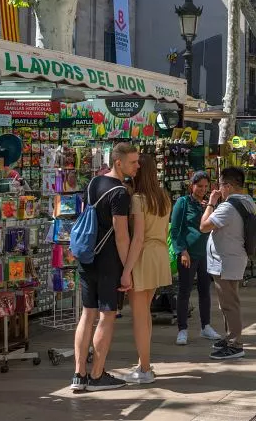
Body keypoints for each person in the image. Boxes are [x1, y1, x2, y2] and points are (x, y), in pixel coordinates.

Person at [72, 143, 138, 393]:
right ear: (118, 163)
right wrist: (126, 270)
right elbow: (121, 235)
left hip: (86, 256)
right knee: (106, 316)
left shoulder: (93, 183)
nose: (137, 166)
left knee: (86, 314)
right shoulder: (120, 193)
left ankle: (78, 374)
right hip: (108, 260)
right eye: (133, 162)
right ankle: (97, 375)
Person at [121, 154, 173, 383]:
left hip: (143, 256)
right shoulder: (163, 197)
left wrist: (126, 270)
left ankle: (145, 369)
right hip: (160, 254)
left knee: (140, 316)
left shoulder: (139, 199)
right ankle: (144, 363)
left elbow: (138, 237)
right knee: (145, 314)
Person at [201, 166, 256, 360]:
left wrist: (210, 203)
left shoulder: (228, 207)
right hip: (232, 259)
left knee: (230, 304)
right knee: (227, 303)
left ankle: (235, 344)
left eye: (221, 185)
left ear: (229, 186)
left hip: (225, 261)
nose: (219, 189)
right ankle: (230, 337)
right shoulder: (247, 202)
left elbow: (204, 226)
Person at [170, 172, 221, 346]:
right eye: (199, 186)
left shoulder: (207, 205)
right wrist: (182, 251)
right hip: (188, 255)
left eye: (206, 187)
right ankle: (182, 329)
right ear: (191, 185)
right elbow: (175, 229)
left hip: (205, 255)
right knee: (184, 291)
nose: (202, 190)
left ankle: (206, 326)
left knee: (205, 291)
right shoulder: (182, 203)